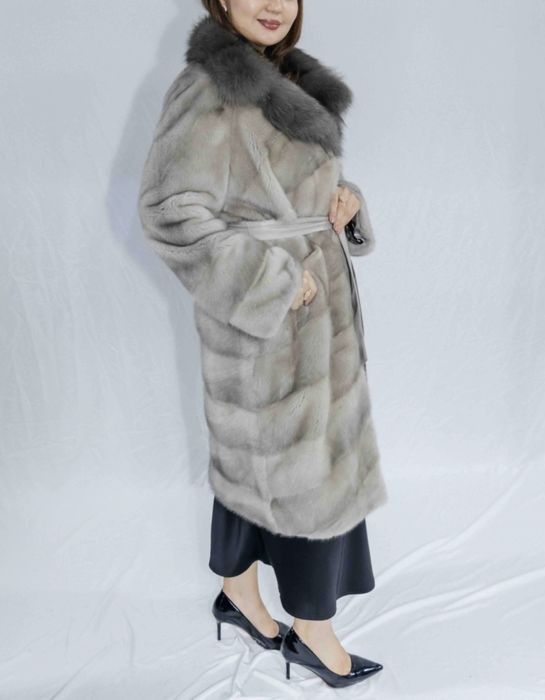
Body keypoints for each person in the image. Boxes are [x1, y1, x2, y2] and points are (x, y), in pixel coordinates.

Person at [138, 0, 388, 688]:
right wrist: (270, 281)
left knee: (257, 459)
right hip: (269, 318)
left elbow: (278, 191)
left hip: (309, 316)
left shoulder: (291, 79)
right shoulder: (209, 86)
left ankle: (238, 593)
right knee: (304, 472)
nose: (275, 4)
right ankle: (312, 630)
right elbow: (167, 210)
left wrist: (344, 200)